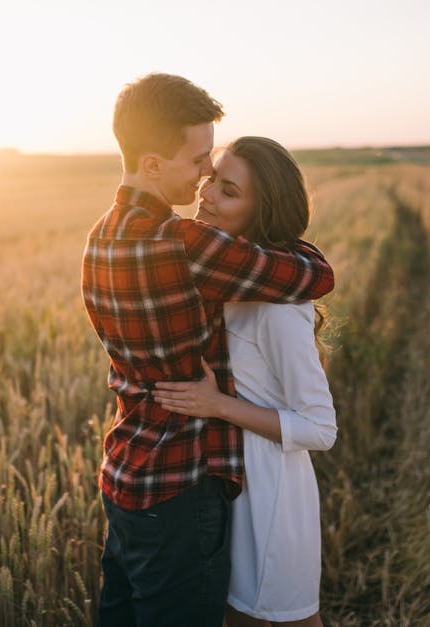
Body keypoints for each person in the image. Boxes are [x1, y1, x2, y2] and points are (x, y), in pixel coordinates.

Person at [81, 74, 335, 627]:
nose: (203, 177)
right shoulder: (183, 244)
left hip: (124, 477)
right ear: (152, 165)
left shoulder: (97, 238)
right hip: (180, 487)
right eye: (200, 161)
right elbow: (314, 274)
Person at [153, 136, 337, 627]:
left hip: (271, 498)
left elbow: (321, 428)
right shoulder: (228, 281)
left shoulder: (277, 308)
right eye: (212, 178)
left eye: (228, 191)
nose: (207, 193)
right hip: (229, 487)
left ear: (260, 214)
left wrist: (217, 406)